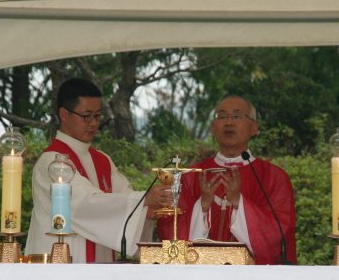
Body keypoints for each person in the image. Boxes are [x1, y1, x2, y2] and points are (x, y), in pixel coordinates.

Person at [26, 78, 172, 262]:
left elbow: (126, 197)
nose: (94, 123)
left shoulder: (102, 161)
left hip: (100, 265)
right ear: (64, 114)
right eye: (86, 116)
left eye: (97, 116)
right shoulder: (52, 163)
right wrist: (143, 200)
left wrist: (147, 210)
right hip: (61, 263)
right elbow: (83, 205)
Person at [157, 96, 297, 265]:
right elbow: (169, 231)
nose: (229, 122)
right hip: (200, 274)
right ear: (213, 128)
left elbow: (280, 232)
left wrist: (238, 202)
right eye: (222, 117)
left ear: (254, 128)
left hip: (253, 276)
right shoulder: (190, 176)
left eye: (237, 116)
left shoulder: (274, 177)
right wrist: (203, 205)